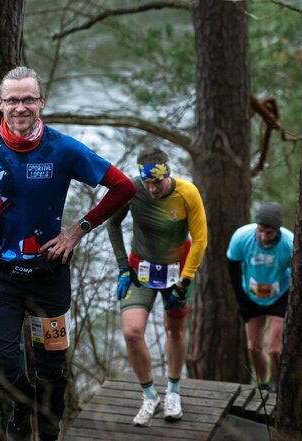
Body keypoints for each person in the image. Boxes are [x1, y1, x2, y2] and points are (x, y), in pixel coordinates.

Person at [0, 66, 136, 441]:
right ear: (1, 104)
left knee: (52, 369)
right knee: (2, 360)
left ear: (41, 103)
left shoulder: (63, 149)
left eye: (29, 99)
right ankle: (23, 402)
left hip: (49, 274)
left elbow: (122, 187)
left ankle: (49, 434)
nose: (21, 107)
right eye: (13, 100)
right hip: (2, 275)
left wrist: (77, 230)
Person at [106, 148, 208, 427]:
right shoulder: (131, 190)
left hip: (178, 272)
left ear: (168, 173)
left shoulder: (187, 193)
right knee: (131, 331)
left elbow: (200, 240)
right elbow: (112, 225)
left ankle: (173, 391)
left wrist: (186, 281)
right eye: (148, 183)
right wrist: (121, 267)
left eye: (157, 183)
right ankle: (149, 395)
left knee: (174, 330)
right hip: (140, 271)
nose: (152, 189)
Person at [226, 202, 294, 392]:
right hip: (251, 295)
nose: (263, 237)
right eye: (261, 231)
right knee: (253, 348)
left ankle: (278, 385)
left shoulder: (289, 243)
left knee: (274, 349)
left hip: (279, 295)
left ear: (277, 231)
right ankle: (263, 384)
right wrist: (241, 302)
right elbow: (233, 267)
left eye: (269, 233)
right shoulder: (242, 236)